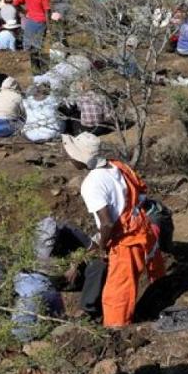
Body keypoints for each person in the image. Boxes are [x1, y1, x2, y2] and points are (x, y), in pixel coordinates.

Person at [62, 132, 165, 327]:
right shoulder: (117, 166)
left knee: (117, 296)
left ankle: (117, 333)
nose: (68, 157)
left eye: (71, 154)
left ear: (80, 158)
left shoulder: (92, 183)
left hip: (126, 240)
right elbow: (140, 195)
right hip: (141, 228)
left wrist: (102, 247)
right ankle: (154, 308)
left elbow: (107, 223)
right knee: (148, 280)